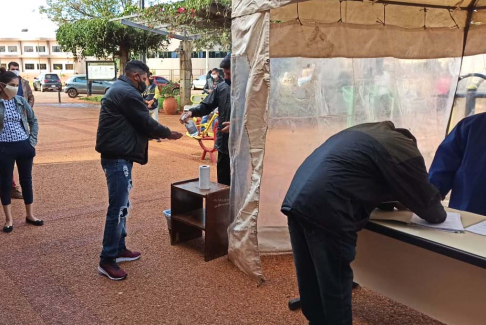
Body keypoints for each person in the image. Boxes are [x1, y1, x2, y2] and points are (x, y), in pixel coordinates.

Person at [281, 121, 446, 325]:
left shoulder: (365, 134)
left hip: (298, 198)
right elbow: (430, 208)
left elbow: (359, 176)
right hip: (329, 206)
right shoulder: (403, 149)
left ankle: (315, 320)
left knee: (310, 274)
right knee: (334, 282)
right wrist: (429, 207)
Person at [95, 60, 183, 280]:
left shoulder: (122, 89)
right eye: (147, 77)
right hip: (117, 158)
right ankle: (107, 260)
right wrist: (168, 133)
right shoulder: (126, 93)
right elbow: (146, 123)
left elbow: (136, 118)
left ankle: (119, 248)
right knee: (117, 208)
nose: (149, 81)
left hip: (120, 156)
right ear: (136, 76)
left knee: (123, 205)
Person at [0, 67, 42, 233]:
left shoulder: (20, 101)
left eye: (17, 85)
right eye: (12, 84)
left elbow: (34, 121)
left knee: (27, 180)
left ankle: (30, 214)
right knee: (4, 183)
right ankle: (9, 219)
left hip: (23, 145)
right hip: (4, 147)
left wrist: (31, 142)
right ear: (2, 85)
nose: (16, 88)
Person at [180, 55, 231, 185]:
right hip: (224, 144)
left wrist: (238, 126)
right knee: (224, 183)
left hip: (242, 148)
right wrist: (190, 112)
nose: (226, 77)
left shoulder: (250, 89)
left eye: (229, 74)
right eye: (224, 73)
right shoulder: (222, 87)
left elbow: (259, 116)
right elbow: (207, 105)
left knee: (242, 183)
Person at [429, 113, 486, 216]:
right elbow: (436, 183)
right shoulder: (469, 127)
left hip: (468, 220)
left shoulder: (470, 126)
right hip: (467, 221)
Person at [7, 62, 35, 199]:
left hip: (21, 124)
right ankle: (10, 187)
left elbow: (30, 97)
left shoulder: (24, 83)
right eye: (13, 69)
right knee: (7, 162)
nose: (16, 71)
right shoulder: (4, 86)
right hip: (6, 136)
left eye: (17, 69)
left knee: (25, 173)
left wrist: (27, 109)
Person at [143, 73, 161, 142]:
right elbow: (140, 96)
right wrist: (147, 102)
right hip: (145, 107)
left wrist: (152, 101)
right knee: (147, 122)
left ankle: (156, 136)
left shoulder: (154, 85)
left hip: (154, 106)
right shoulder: (142, 86)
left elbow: (157, 94)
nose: (148, 79)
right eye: (147, 78)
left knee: (155, 121)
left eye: (150, 78)